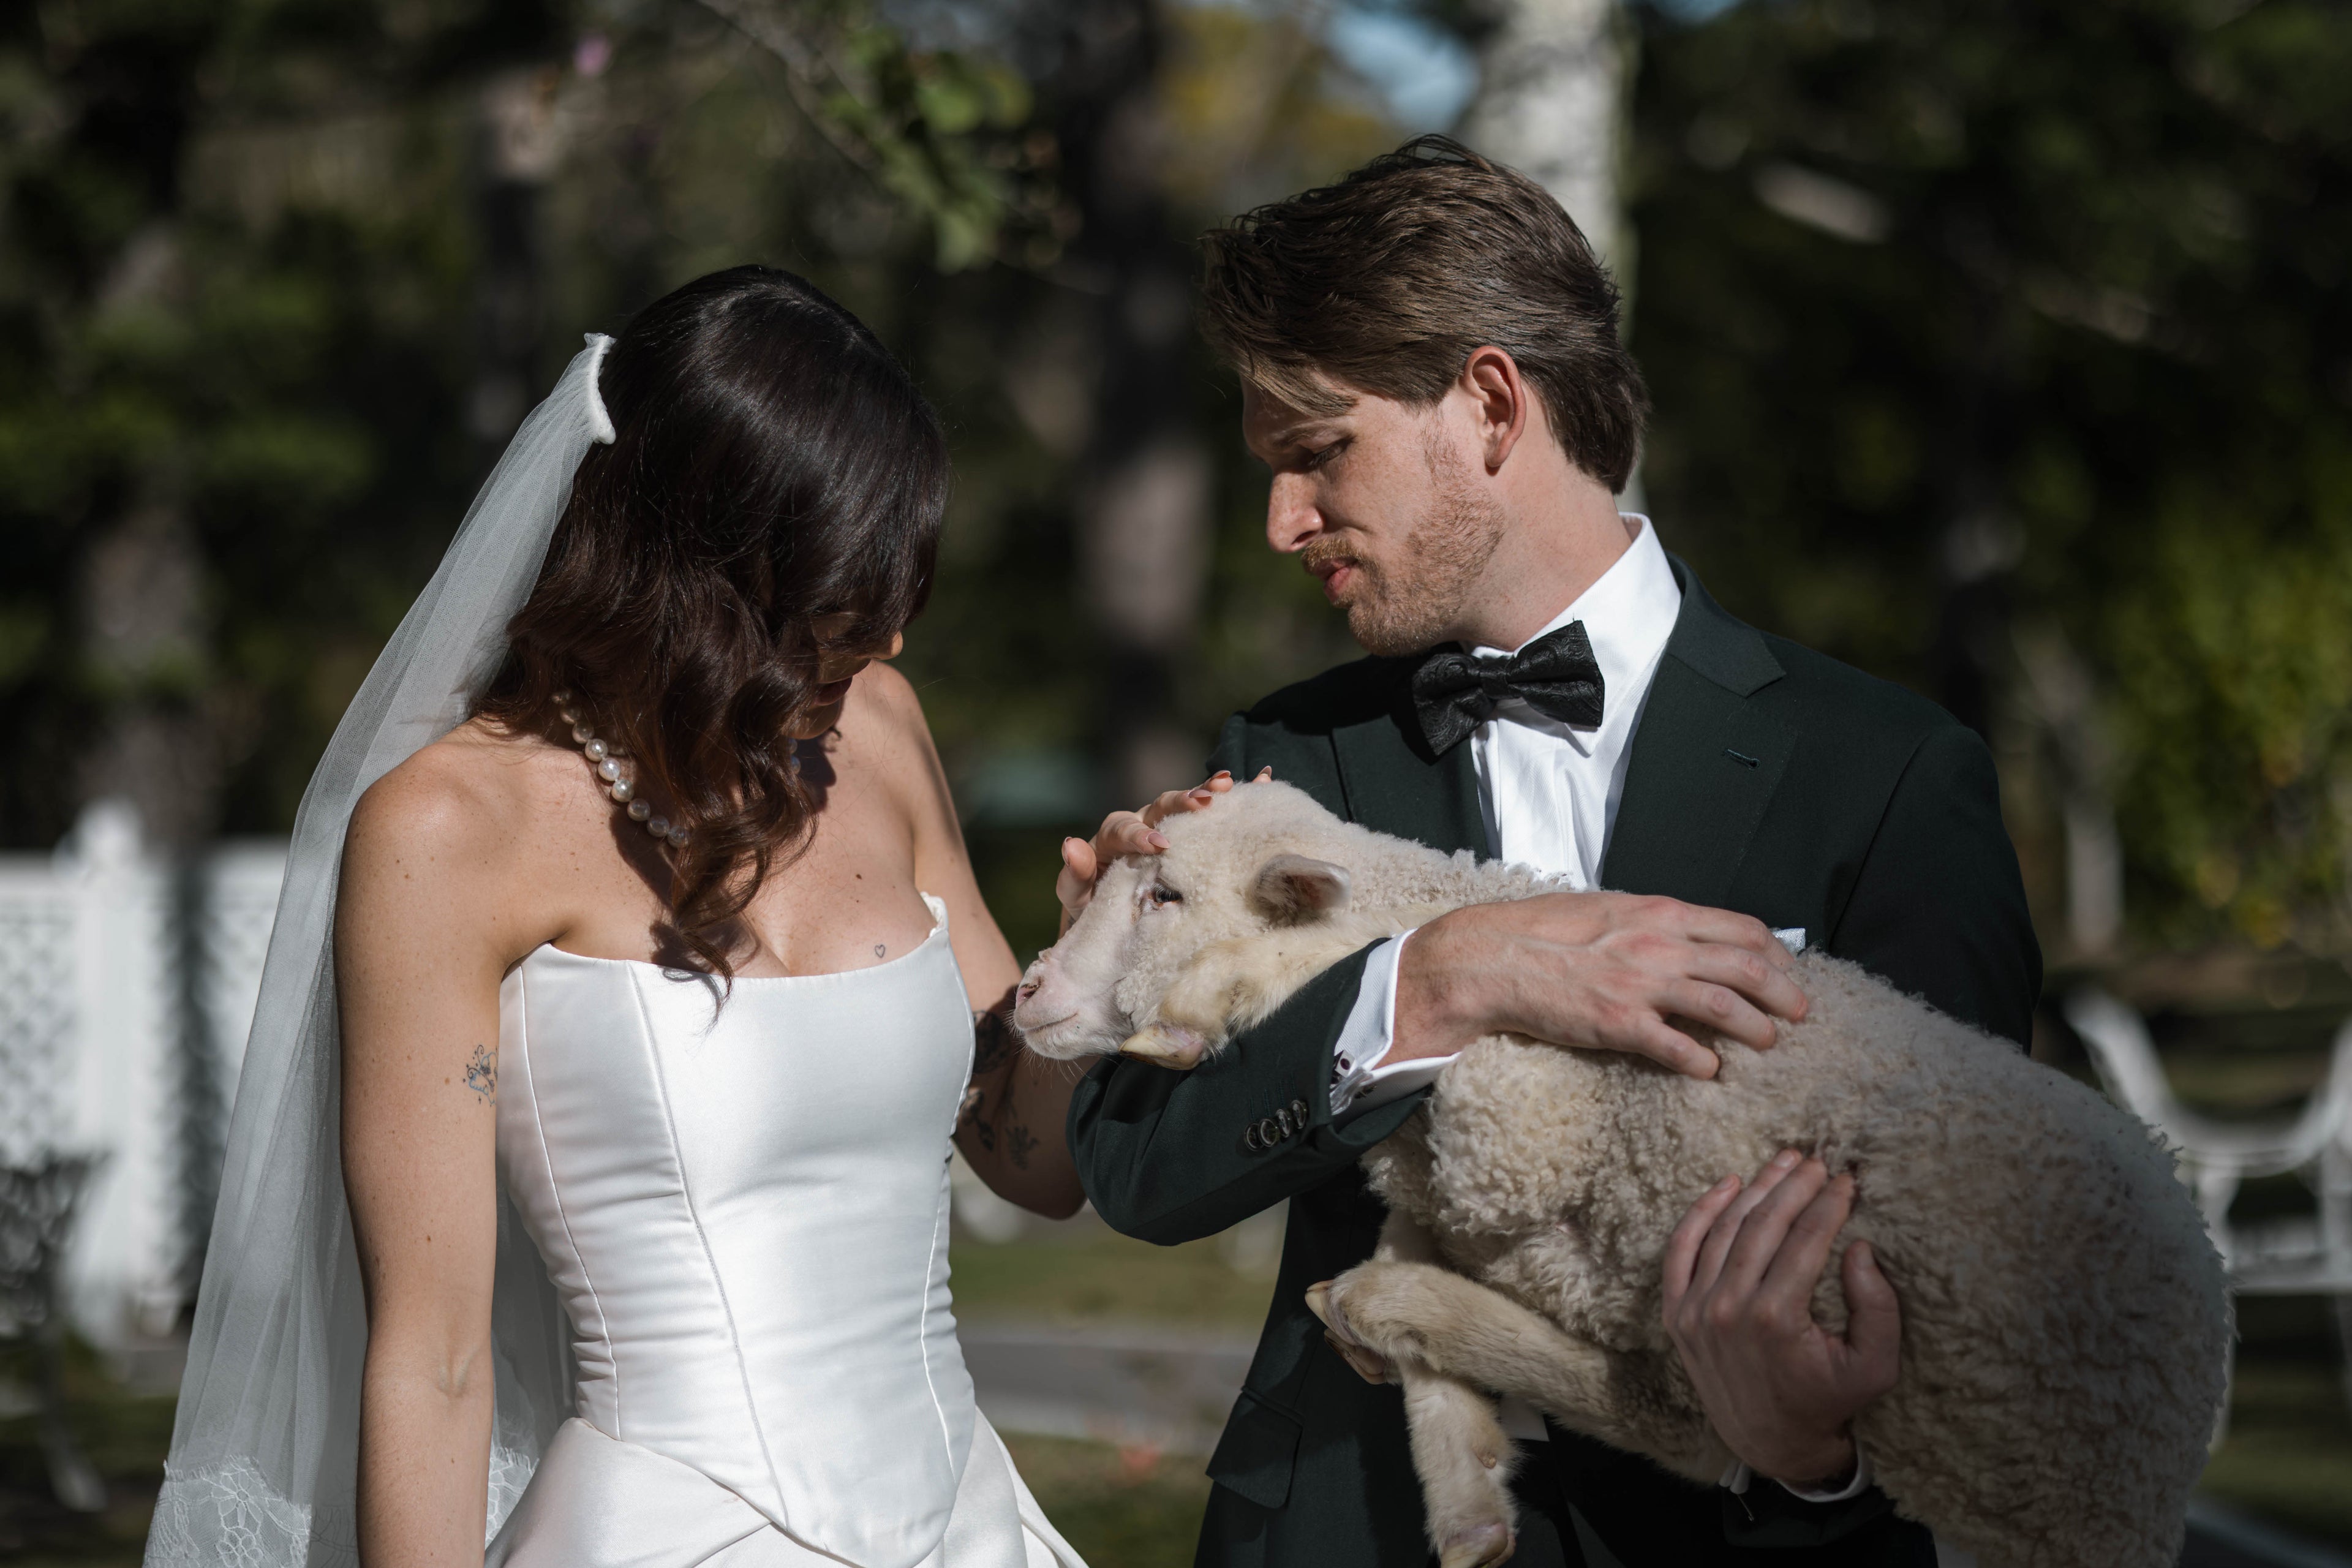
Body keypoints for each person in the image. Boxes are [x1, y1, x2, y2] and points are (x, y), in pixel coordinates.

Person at [1060, 138, 2040, 1568]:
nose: (1280, 521)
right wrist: (1427, 981)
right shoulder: (1295, 758)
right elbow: (1138, 1165)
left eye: (1318, 451)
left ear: (1491, 403)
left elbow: (1975, 1228)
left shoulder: (1886, 772)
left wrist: (1809, 1463)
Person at [147, 268, 1087, 1568]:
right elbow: (431, 1357)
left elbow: (1036, 1162)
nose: (887, 643)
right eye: (845, 591)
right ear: (711, 561)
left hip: (971, 1524)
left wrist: (1110, 952)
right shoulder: (449, 828)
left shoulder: (880, 729)